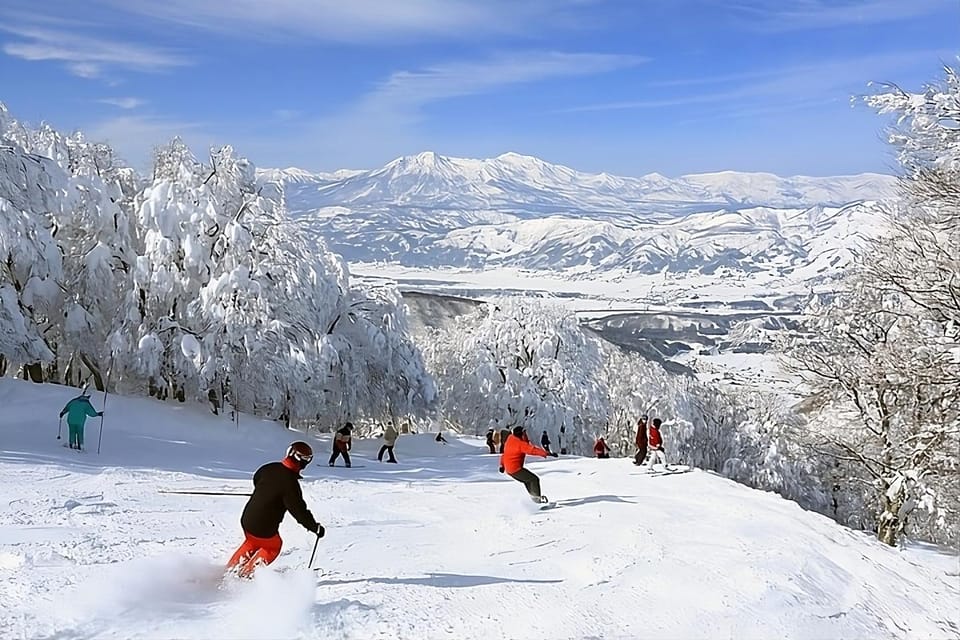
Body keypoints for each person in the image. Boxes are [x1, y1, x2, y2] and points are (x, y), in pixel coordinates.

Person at [226, 441, 325, 578]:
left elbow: (257, 479)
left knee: (252, 542)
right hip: (264, 527)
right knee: (273, 546)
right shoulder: (290, 484)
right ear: (303, 462)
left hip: (247, 519)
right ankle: (246, 575)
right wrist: (315, 528)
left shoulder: (269, 468)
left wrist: (266, 493)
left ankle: (229, 570)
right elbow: (299, 512)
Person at [499, 426, 557, 503]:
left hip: (509, 468)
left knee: (528, 481)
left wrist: (502, 465)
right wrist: (547, 453)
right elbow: (532, 450)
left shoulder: (510, 439)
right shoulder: (520, 444)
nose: (526, 434)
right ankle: (537, 500)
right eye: (524, 433)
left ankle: (534, 499)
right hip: (515, 469)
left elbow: (505, 453)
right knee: (534, 479)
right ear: (521, 434)